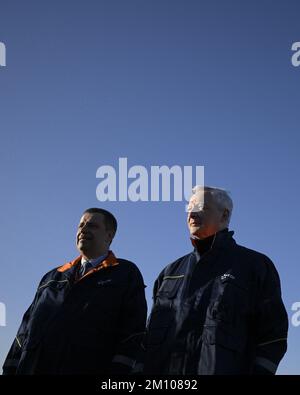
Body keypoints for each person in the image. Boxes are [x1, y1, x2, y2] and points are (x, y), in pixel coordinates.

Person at [144, 186, 288, 375]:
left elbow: (273, 336)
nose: (192, 212)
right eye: (190, 207)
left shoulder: (254, 266)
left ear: (224, 215)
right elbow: (147, 341)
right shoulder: (169, 273)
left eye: (201, 207)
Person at [3, 208, 147, 375]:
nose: (83, 230)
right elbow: (24, 330)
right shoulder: (51, 278)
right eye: (81, 225)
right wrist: (10, 368)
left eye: (92, 226)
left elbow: (133, 332)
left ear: (109, 236)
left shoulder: (125, 274)